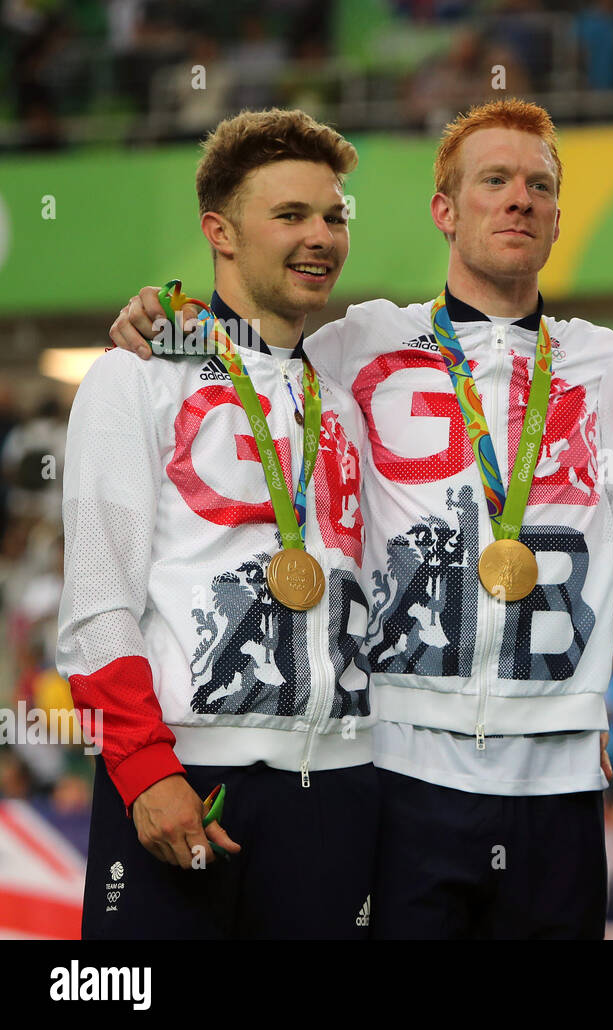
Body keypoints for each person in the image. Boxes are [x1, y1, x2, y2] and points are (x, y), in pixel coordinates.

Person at [109, 99, 613, 939]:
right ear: (443, 209)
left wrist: (573, 695)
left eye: (539, 185)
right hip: (394, 768)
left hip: (557, 777)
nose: (519, 200)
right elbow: (246, 348)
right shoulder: (354, 344)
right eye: (494, 180)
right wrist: (159, 324)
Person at [59, 108, 376, 939]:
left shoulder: (339, 396)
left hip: (335, 785)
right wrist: (142, 767)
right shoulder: (135, 378)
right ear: (220, 232)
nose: (321, 237)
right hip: (186, 777)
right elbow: (97, 602)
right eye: (291, 215)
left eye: (334, 217)